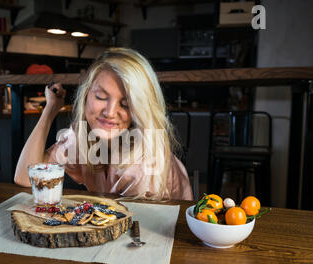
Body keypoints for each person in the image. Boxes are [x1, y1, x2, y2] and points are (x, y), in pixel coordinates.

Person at [14, 47, 193, 201]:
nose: (109, 112)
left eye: (126, 103)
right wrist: (50, 110)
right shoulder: (81, 136)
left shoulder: (144, 162)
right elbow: (25, 177)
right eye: (101, 97)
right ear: (86, 95)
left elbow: (130, 228)